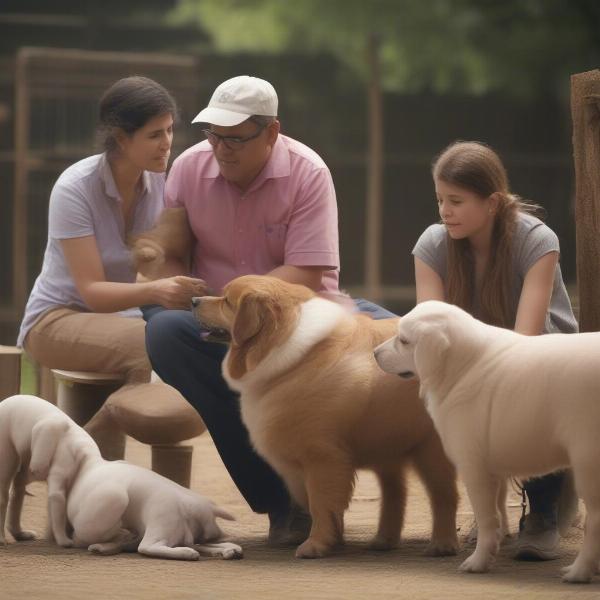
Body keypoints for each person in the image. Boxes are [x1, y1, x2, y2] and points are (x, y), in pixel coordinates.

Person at [144, 75, 395, 545]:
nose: (222, 148)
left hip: (299, 315)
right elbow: (172, 251)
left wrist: (249, 313)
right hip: (213, 314)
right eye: (213, 135)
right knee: (165, 334)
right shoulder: (186, 169)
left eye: (236, 138)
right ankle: (284, 504)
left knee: (399, 339)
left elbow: (307, 273)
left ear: (272, 132)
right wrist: (178, 281)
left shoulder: (308, 172)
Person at [412, 140, 578, 561]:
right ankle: (489, 517)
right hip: (469, 357)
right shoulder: (432, 245)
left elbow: (525, 340)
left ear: (493, 202)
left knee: (535, 389)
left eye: (456, 201)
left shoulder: (536, 239)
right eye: (439, 200)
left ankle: (541, 512)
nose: (444, 211)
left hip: (534, 349)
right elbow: (427, 322)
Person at [18, 76, 206, 422]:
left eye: (169, 131)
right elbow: (91, 292)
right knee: (151, 342)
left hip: (116, 320)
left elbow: (172, 254)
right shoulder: (75, 188)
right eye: (154, 134)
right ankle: (99, 432)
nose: (167, 144)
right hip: (55, 319)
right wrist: (156, 291)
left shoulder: (162, 183)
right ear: (121, 137)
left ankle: (132, 445)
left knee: (182, 334)